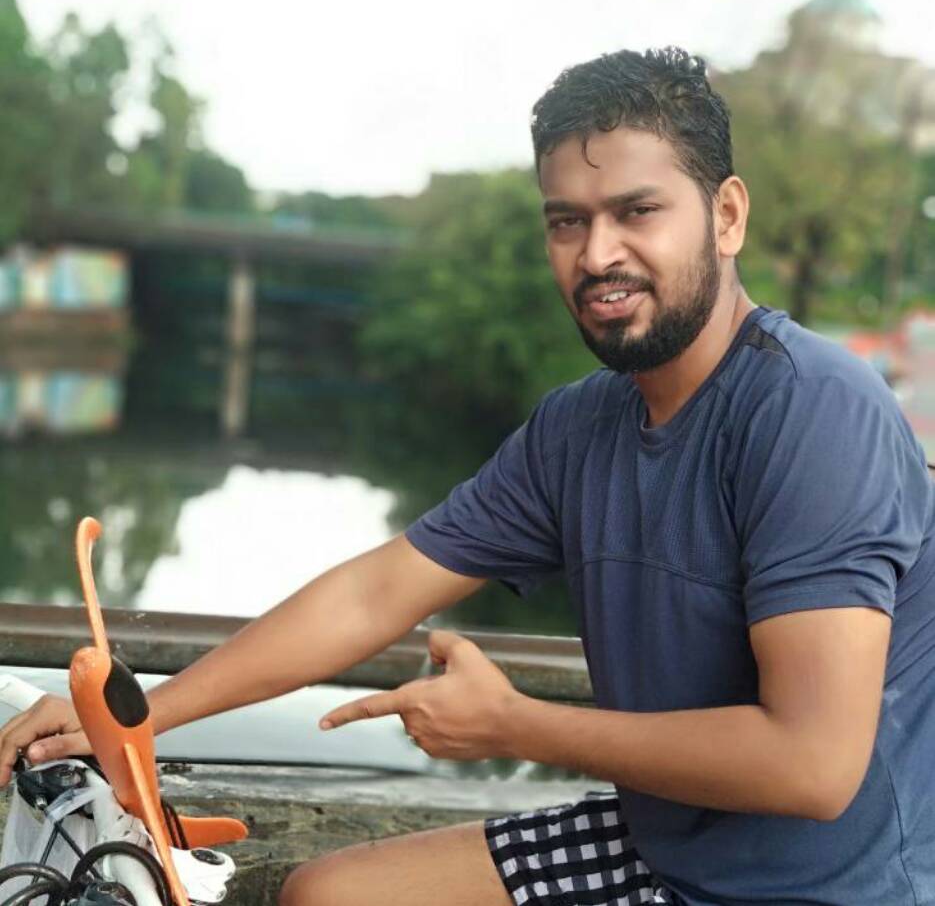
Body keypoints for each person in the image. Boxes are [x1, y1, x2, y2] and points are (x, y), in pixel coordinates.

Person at [2, 46, 934, 906]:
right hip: (669, 840)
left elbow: (813, 764)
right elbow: (376, 591)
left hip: (829, 883)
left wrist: (515, 724)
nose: (597, 253)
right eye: (567, 221)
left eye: (637, 211)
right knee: (326, 896)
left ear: (726, 215)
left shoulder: (812, 411)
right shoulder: (580, 426)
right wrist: (141, 715)